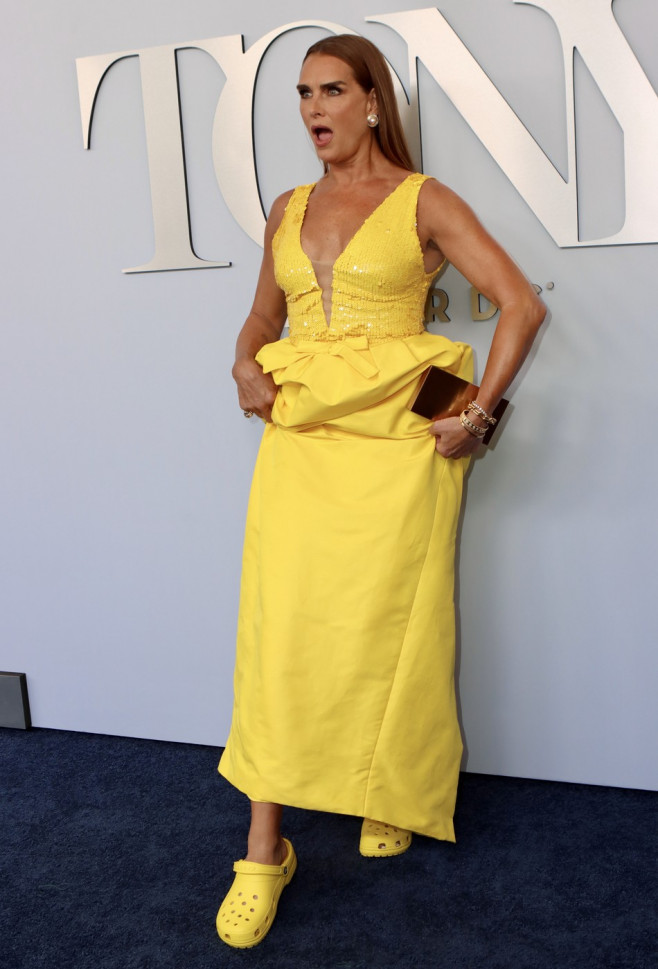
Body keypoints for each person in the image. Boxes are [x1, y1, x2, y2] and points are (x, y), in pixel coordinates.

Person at [215, 33, 546, 949]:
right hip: (302, 444)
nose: (314, 110)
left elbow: (521, 303)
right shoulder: (287, 205)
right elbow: (262, 312)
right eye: (302, 95)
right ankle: (264, 847)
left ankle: (386, 782)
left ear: (371, 100)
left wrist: (476, 412)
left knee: (391, 623)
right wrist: (243, 358)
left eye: (331, 91)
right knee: (281, 629)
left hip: (398, 449)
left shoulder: (423, 201)